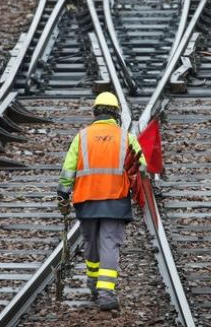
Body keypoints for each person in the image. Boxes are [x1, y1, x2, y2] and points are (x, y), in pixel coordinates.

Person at [56, 91, 145, 310]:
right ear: (116, 114)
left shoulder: (82, 137)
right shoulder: (126, 137)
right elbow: (141, 167)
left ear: (95, 112)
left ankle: (93, 284)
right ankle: (106, 294)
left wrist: (63, 194)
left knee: (91, 243)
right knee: (110, 244)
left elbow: (68, 170)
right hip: (115, 200)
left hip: (86, 201)